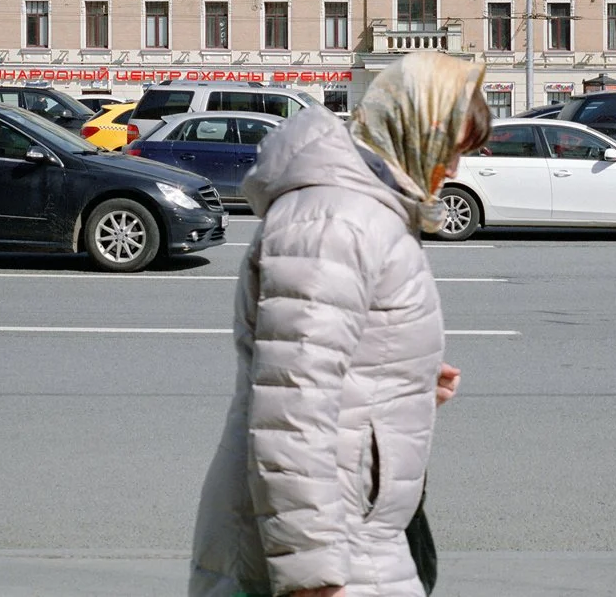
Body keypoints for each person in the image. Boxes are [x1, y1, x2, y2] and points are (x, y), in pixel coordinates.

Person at [191, 51, 491, 597]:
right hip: (327, 551)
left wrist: (404, 381)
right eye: (452, 148)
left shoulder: (362, 209)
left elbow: (335, 365)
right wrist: (312, 578)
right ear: (414, 126)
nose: (453, 170)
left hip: (353, 528)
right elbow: (292, 407)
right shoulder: (335, 219)